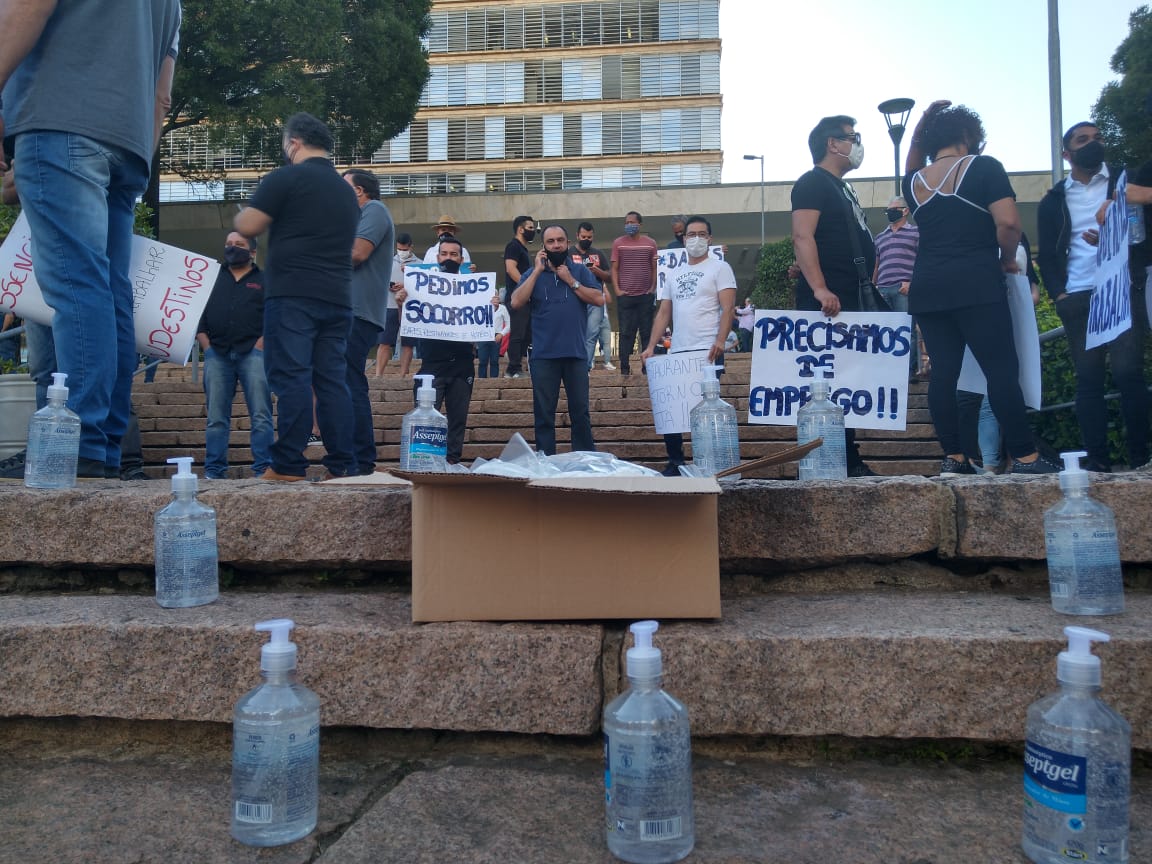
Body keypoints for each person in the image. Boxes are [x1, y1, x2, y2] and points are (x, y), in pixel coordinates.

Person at [0, 0, 181, 479]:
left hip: (58, 116)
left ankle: (75, 443)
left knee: (77, 284)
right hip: (129, 140)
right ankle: (100, 445)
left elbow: (24, 7)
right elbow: (163, 92)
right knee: (108, 289)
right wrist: (142, 149)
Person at [903, 101, 1058, 476]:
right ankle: (1025, 457)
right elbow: (1008, 224)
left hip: (928, 287)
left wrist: (922, 124)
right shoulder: (984, 167)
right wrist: (1007, 259)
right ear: (969, 136)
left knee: (944, 373)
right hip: (976, 281)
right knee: (1000, 369)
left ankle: (954, 458)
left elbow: (910, 164)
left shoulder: (915, 183)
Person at [234, 112, 360, 481]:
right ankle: (341, 463)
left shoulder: (285, 177)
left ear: (293, 143)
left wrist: (244, 214)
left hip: (293, 295)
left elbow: (249, 227)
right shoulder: (346, 192)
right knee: (332, 380)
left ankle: (288, 463)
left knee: (292, 377)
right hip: (337, 297)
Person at [1037, 121, 1150, 472]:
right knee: (1088, 381)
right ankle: (1098, 462)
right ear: (1067, 154)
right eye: (1083, 140)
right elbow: (1049, 255)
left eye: (1097, 137)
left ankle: (1141, 458)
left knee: (1129, 373)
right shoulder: (1053, 200)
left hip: (1123, 288)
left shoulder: (1125, 182)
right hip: (1078, 295)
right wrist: (1059, 295)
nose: (1093, 143)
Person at [791, 114, 877, 477]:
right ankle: (829, 455)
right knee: (826, 378)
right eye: (851, 137)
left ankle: (846, 452)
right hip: (828, 301)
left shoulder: (841, 187)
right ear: (832, 144)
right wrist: (819, 287)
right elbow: (803, 236)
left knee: (846, 378)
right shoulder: (813, 183)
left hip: (846, 296)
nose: (855, 144)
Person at [641, 215, 736, 475]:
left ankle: (711, 462)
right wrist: (651, 346)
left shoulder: (720, 268)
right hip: (679, 351)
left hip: (708, 351)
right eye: (691, 234)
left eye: (701, 234)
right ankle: (675, 461)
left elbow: (727, 308)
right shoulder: (674, 273)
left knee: (708, 407)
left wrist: (719, 340)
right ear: (683, 239)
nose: (696, 239)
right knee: (673, 408)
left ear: (710, 238)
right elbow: (664, 313)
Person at [511, 225, 602, 455]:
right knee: (543, 414)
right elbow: (516, 301)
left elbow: (599, 299)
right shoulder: (534, 273)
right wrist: (536, 272)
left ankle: (584, 459)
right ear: (543, 246)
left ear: (568, 242)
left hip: (576, 354)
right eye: (550, 241)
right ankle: (545, 460)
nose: (556, 245)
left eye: (560, 240)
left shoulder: (579, 271)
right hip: (544, 355)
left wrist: (570, 280)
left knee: (580, 412)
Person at [399, 238, 485, 464]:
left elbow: (484, 324)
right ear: (437, 258)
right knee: (424, 421)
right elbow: (409, 323)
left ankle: (452, 462)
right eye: (444, 254)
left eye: (453, 254)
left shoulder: (473, 288)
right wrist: (402, 303)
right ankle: (424, 462)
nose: (449, 258)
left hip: (462, 363)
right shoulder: (421, 286)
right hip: (431, 364)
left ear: (461, 259)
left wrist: (489, 306)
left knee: (458, 420)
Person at [195, 232, 273, 479]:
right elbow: (197, 310)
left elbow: (275, 314)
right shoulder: (210, 278)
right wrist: (205, 344)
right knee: (216, 417)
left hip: (254, 354)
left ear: (252, 252)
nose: (232, 248)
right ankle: (214, 470)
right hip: (216, 353)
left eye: (239, 245)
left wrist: (261, 344)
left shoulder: (265, 280)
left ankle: (263, 468)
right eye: (228, 244)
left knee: (261, 414)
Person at [342, 169, 395, 475]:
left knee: (350, 384)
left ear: (359, 191)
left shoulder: (374, 209)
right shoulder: (358, 217)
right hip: (348, 311)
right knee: (343, 383)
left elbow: (358, 253)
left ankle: (359, 460)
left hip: (357, 312)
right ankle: (351, 457)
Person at [872, 196, 921, 374]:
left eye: (894, 209)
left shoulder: (916, 233)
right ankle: (888, 370)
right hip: (882, 289)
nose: (890, 213)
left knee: (906, 330)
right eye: (888, 210)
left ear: (905, 210)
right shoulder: (880, 237)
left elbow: (922, 261)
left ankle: (907, 371)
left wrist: (911, 283)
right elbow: (876, 265)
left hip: (904, 288)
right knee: (883, 330)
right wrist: (873, 287)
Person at [611, 211, 658, 377]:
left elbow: (654, 268)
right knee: (625, 333)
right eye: (627, 222)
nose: (629, 225)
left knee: (646, 333)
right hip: (626, 297)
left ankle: (647, 368)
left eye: (632, 222)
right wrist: (617, 290)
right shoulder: (618, 243)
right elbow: (614, 268)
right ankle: (624, 367)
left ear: (640, 224)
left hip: (645, 296)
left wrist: (652, 288)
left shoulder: (651, 243)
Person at [571, 221, 615, 371]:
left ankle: (586, 368)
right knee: (576, 334)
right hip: (575, 298)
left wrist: (598, 272)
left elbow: (609, 277)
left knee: (591, 335)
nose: (586, 239)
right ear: (577, 235)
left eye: (589, 237)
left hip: (595, 299)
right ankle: (575, 366)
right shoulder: (570, 253)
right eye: (583, 236)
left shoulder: (598, 253)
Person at [375, 232, 415, 377]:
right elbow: (379, 279)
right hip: (390, 305)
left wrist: (406, 285)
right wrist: (389, 285)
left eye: (405, 250)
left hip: (411, 309)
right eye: (400, 249)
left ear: (411, 247)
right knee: (385, 341)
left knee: (408, 343)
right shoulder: (388, 261)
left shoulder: (420, 264)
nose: (402, 252)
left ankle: (403, 374)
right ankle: (378, 374)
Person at [504, 215, 537, 378]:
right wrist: (525, 287)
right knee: (518, 332)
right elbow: (511, 268)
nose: (533, 231)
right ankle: (513, 368)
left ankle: (519, 365)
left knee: (526, 333)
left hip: (524, 298)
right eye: (530, 228)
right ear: (520, 229)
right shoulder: (513, 246)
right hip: (516, 298)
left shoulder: (522, 249)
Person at [477, 297, 509, 378]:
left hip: (497, 335)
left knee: (494, 360)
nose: (495, 300)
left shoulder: (503, 308)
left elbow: (509, 324)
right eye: (493, 298)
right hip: (483, 335)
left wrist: (501, 334)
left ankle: (494, 380)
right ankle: (482, 380)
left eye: (497, 298)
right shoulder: (482, 307)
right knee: (482, 361)